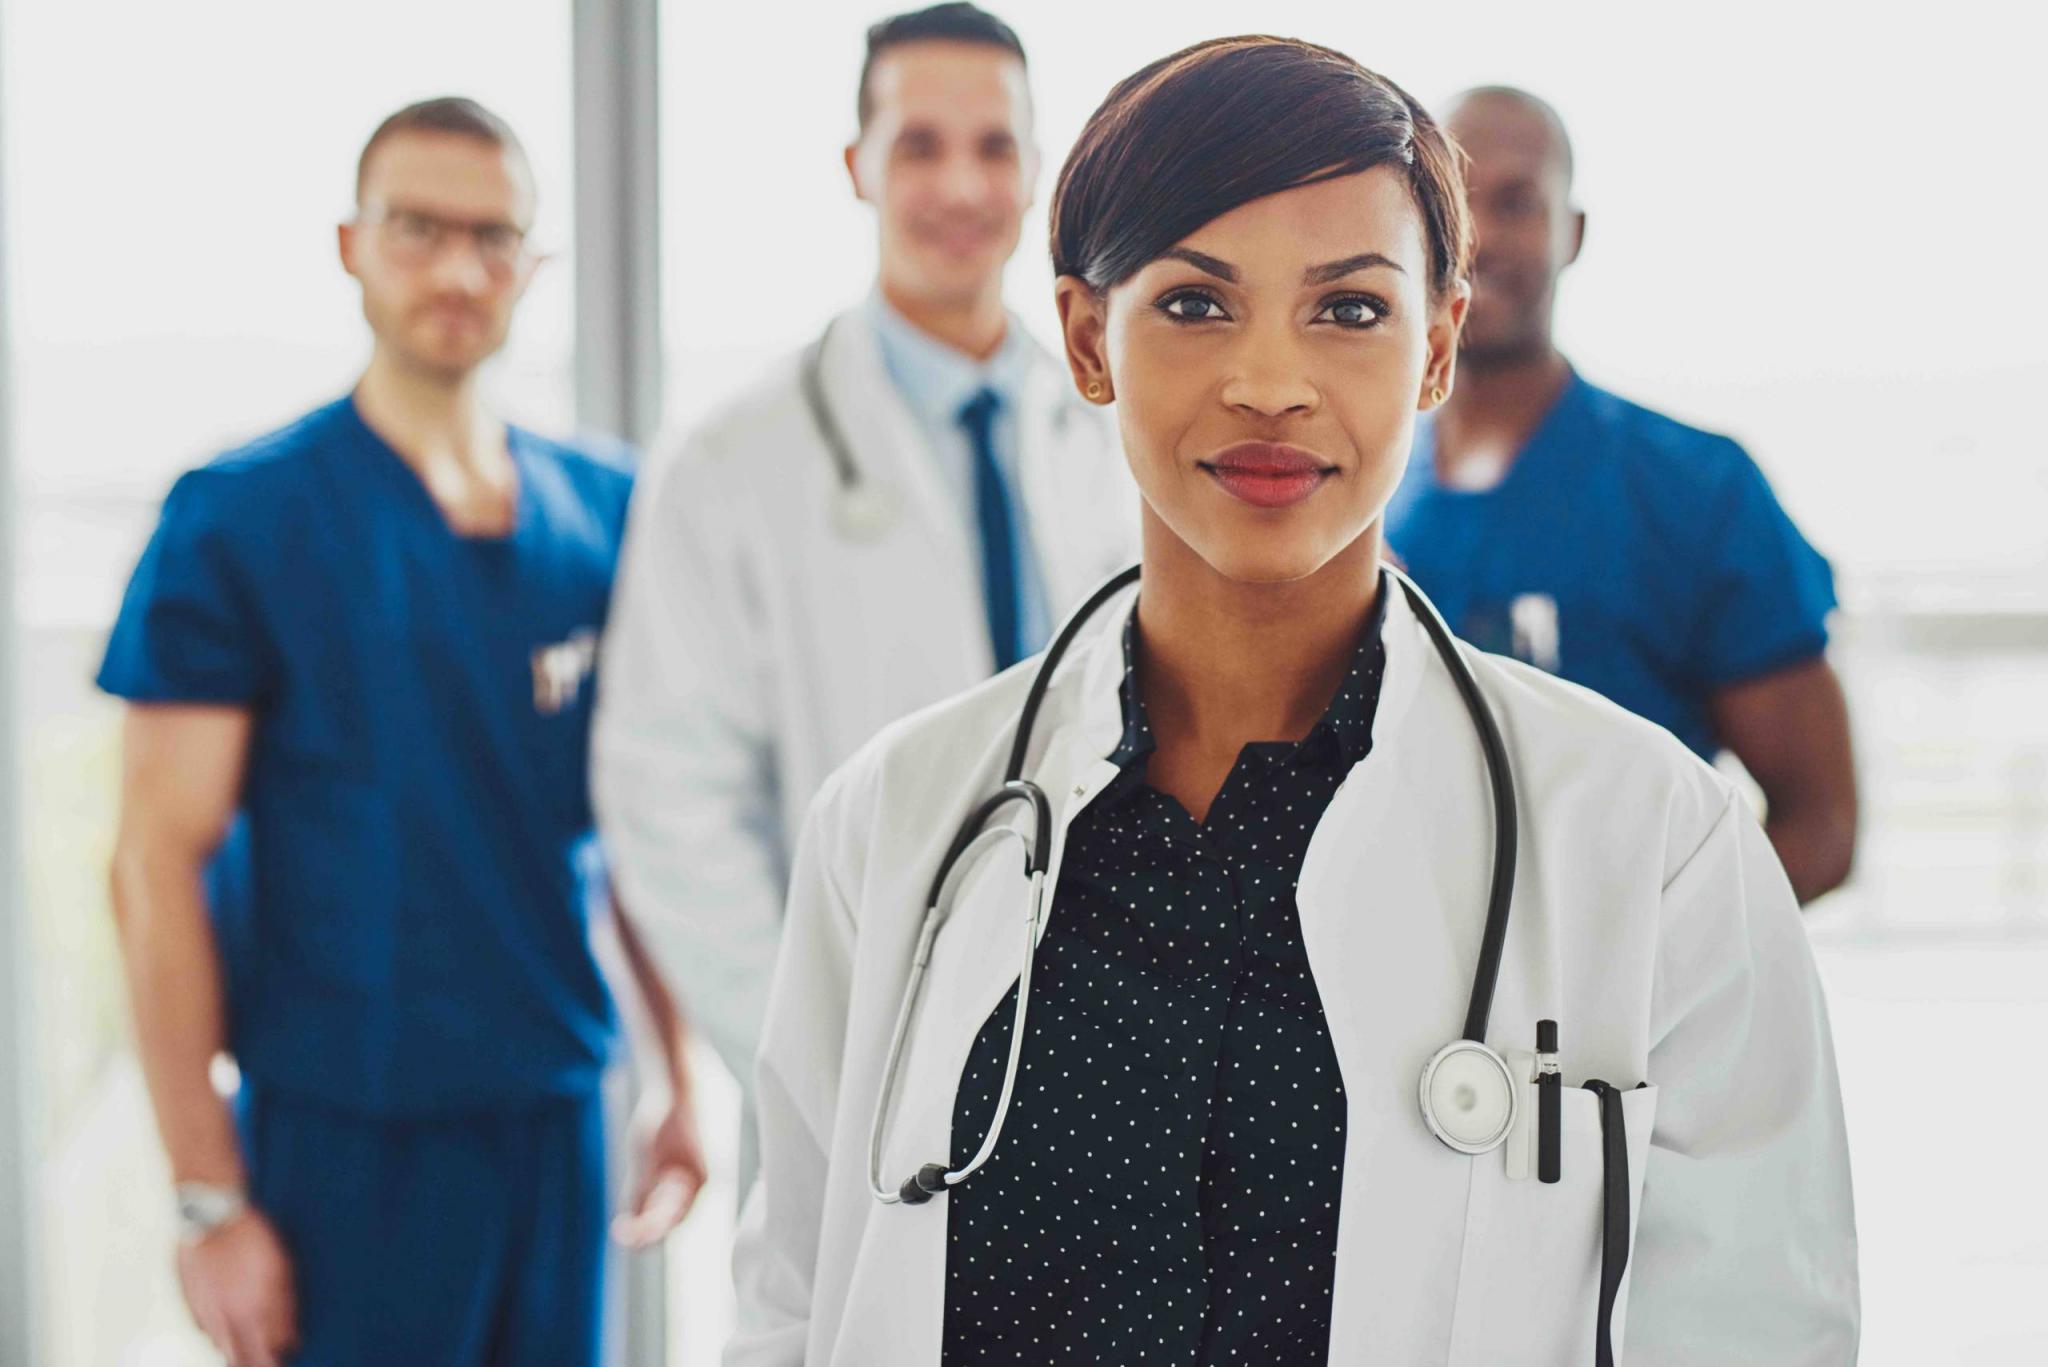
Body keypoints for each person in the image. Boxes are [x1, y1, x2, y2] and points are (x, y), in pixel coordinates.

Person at [728, 37, 1858, 1366]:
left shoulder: (1657, 841)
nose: (1270, 381)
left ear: (1437, 344)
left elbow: (1757, 1329)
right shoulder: (894, 823)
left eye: (1351, 308)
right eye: (1197, 306)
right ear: (1090, 338)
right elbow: (792, 1310)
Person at [100, 98, 705, 1367]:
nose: (455, 267)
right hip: (342, 1143)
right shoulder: (240, 519)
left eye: (493, 236)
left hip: (553, 1118)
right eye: (417, 227)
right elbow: (153, 862)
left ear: (531, 265)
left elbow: (642, 822)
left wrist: (679, 1077)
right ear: (350, 244)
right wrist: (209, 1198)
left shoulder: (607, 512)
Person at [592, 1, 1132, 1178]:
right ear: (856, 168)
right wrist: (830, 1058)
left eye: (992, 147)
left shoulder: (1115, 431)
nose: (958, 184)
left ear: (1035, 170)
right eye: (918, 145)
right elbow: (666, 799)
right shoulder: (733, 463)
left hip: (1118, 1042)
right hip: (861, 1071)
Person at [1384, 86, 1857, 904]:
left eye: (1517, 202)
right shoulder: (1352, 494)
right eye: (1456, 203)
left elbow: (1822, 824)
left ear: (1573, 233)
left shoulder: (1698, 489)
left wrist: (1635, 975)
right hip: (1403, 1018)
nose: (1483, 236)